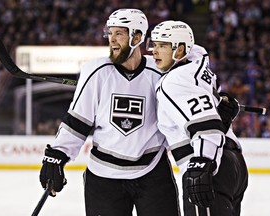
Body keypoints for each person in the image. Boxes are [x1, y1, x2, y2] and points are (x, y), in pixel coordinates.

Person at [39, 9, 181, 216]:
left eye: (119, 34)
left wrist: (216, 104)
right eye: (110, 33)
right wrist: (57, 155)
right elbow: (77, 120)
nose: (112, 40)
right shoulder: (96, 71)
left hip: (152, 174)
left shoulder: (161, 73)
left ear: (138, 37)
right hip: (104, 179)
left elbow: (184, 109)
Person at [149, 20, 248, 216]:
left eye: (162, 45)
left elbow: (206, 128)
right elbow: (212, 120)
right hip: (233, 164)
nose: (154, 51)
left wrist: (202, 164)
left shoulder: (174, 81)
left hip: (210, 167)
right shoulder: (198, 67)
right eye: (154, 44)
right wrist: (223, 113)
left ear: (180, 50)